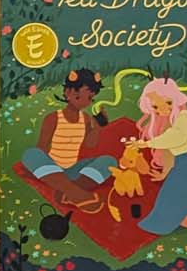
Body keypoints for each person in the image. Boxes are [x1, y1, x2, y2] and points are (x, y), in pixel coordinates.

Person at [19, 67, 116, 210]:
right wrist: (41, 167)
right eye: (78, 97)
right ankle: (75, 193)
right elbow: (42, 147)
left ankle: (69, 191)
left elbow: (90, 144)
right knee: (31, 154)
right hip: (52, 169)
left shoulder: (86, 119)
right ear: (67, 93)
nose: (84, 102)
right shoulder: (53, 118)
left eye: (89, 98)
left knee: (109, 161)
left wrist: (97, 127)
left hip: (72, 171)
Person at [136, 77, 187, 235]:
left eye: (169, 103)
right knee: (174, 201)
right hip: (181, 164)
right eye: (156, 106)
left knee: (174, 197)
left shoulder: (185, 117)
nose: (164, 109)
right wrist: (165, 172)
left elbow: (176, 138)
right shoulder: (165, 121)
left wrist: (147, 144)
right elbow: (169, 150)